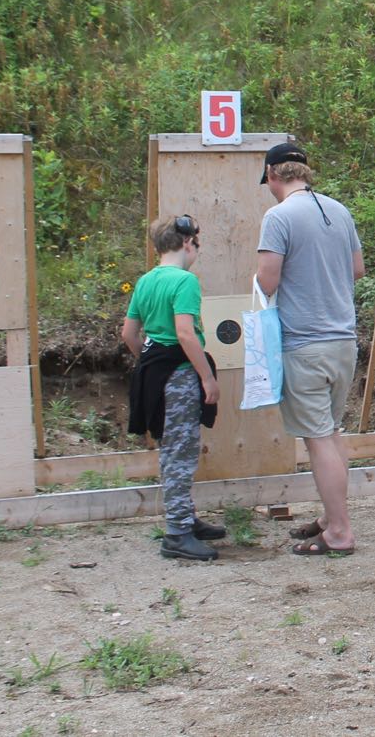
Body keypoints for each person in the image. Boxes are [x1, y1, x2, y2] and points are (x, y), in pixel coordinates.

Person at [256, 142, 365, 556]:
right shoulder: (339, 210)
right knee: (332, 435)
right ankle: (329, 517)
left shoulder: (278, 216)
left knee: (318, 440)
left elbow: (267, 281)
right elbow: (356, 269)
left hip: (303, 344)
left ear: (272, 175)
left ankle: (339, 531)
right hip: (342, 341)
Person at [122, 214, 225, 561]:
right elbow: (184, 333)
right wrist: (206, 378)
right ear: (186, 243)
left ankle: (186, 518)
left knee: (173, 449)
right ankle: (178, 532)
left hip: (155, 376)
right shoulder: (184, 281)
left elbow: (129, 334)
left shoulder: (146, 281)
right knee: (180, 454)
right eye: (197, 242)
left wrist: (151, 360)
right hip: (179, 377)